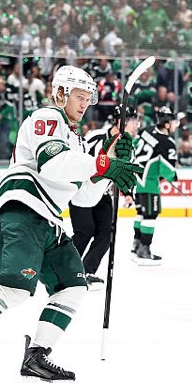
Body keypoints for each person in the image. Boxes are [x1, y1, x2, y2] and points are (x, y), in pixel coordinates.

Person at [0, 65, 141, 383]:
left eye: (88, 98)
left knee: (73, 286)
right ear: (60, 94)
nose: (85, 104)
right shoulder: (47, 118)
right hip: (24, 206)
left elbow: (83, 197)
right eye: (79, 96)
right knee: (15, 286)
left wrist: (107, 165)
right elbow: (52, 164)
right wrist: (102, 163)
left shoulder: (77, 141)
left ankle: (35, 361)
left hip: (49, 221)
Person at [68, 104, 139, 288]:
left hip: (103, 194)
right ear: (120, 121)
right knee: (84, 232)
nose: (136, 125)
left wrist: (128, 193)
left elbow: (126, 172)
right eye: (132, 121)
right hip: (82, 191)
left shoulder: (129, 147)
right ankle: (66, 270)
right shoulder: (97, 136)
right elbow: (76, 158)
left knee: (107, 234)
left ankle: (87, 271)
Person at [131, 106, 182, 265]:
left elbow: (134, 144)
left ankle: (136, 245)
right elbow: (167, 170)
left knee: (141, 213)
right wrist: (173, 177)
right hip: (149, 184)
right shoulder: (167, 143)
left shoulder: (147, 130)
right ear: (166, 124)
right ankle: (144, 250)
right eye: (174, 122)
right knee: (150, 215)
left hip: (135, 180)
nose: (176, 125)